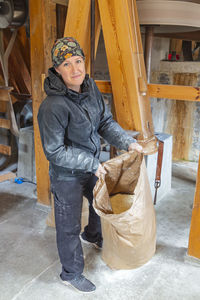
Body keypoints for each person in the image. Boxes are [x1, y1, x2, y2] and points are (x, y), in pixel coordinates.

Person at [37, 37, 143, 293]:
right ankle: (70, 273)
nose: (75, 69)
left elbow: (104, 122)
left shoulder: (90, 88)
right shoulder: (52, 106)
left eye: (78, 61)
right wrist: (91, 162)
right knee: (68, 225)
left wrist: (128, 143)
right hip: (67, 175)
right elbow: (54, 151)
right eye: (66, 64)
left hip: (92, 166)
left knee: (102, 204)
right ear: (57, 70)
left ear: (84, 61)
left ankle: (93, 236)